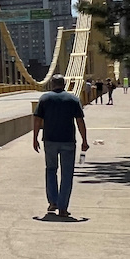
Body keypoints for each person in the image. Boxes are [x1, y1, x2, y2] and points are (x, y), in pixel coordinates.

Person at [33, 75, 88, 220]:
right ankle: (63, 208)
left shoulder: (44, 99)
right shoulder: (73, 99)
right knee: (67, 174)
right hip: (68, 141)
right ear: (64, 84)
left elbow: (37, 120)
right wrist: (84, 140)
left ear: (52, 84)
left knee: (51, 170)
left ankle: (53, 202)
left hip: (49, 140)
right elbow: (80, 121)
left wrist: (35, 138)